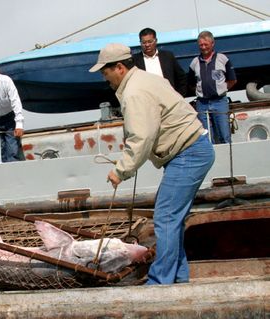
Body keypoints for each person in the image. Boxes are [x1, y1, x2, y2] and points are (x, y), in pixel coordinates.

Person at [89, 43, 215, 285]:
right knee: (173, 218)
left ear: (119, 68)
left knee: (166, 216)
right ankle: (177, 277)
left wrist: (120, 171)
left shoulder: (134, 92)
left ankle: (159, 283)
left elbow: (142, 137)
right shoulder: (146, 79)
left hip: (187, 153)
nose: (105, 79)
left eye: (105, 72)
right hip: (193, 150)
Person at [188, 30, 237, 144]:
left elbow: (232, 80)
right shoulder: (194, 63)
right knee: (206, 137)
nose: (204, 47)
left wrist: (221, 89)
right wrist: (200, 91)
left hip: (219, 102)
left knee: (224, 135)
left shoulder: (222, 59)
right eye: (201, 45)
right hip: (202, 104)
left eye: (206, 44)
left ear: (212, 44)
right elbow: (190, 83)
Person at [132, 28, 187, 96]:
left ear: (156, 41)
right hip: (147, 100)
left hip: (168, 98)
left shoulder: (168, 56)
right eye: (144, 42)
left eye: (150, 41)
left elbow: (181, 77)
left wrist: (180, 95)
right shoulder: (135, 60)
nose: (147, 45)